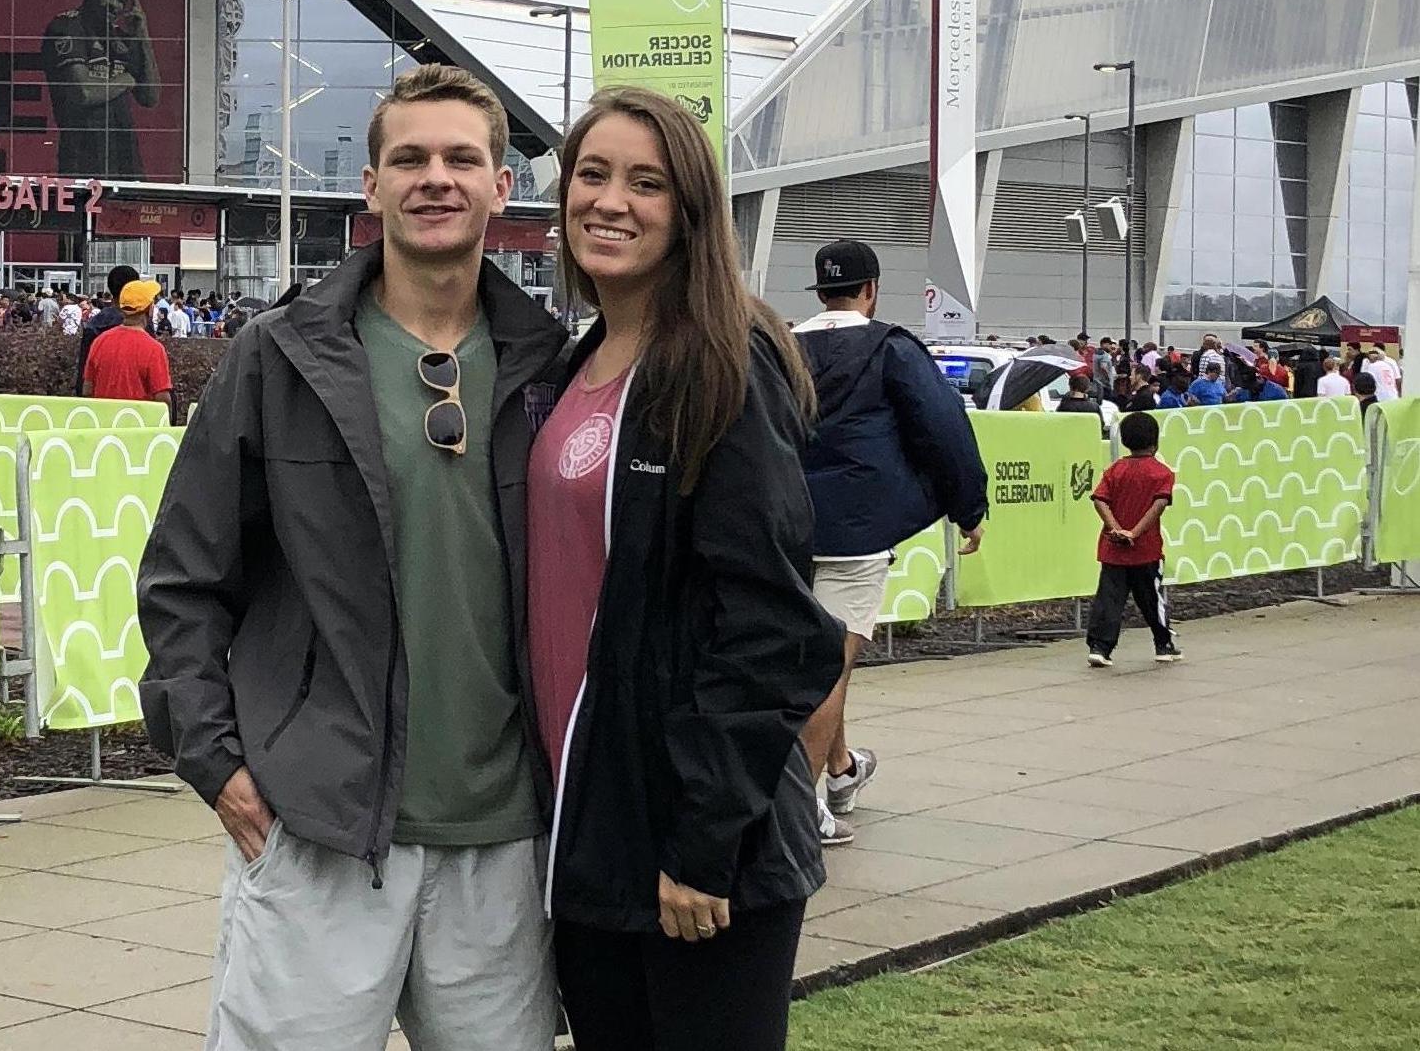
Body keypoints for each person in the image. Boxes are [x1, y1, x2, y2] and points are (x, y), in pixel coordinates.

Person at [138, 65, 566, 1051]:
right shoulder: (279, 355)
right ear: (370, 185)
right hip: (318, 824)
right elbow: (184, 578)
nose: (435, 177)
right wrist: (216, 760)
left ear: (501, 186)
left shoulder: (552, 367)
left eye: (461, 158)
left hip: (502, 837)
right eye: (408, 158)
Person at [534, 90, 842, 1051]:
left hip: (696, 842)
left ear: (690, 210)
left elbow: (772, 623)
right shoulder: (578, 361)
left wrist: (704, 838)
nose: (610, 201)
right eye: (592, 174)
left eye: (646, 182)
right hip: (592, 823)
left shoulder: (722, 364)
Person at [792, 238, 987, 848]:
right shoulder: (890, 347)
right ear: (871, 290)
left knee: (819, 658)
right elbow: (943, 427)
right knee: (831, 666)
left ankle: (841, 769)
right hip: (855, 530)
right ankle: (801, 813)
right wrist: (969, 508)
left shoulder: (780, 346)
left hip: (782, 526)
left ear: (821, 291)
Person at [41, 0, 162, 177]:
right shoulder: (66, 28)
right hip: (82, 163)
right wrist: (125, 80)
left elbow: (150, 97)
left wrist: (143, 34)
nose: (114, 4)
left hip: (127, 165)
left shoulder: (120, 37)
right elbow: (83, 91)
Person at [1086, 411, 1180, 668]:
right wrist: (1134, 533)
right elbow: (1158, 505)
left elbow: (1099, 501)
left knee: (1109, 599)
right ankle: (1163, 643)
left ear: (1126, 441)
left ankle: (1100, 647)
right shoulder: (1162, 473)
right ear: (1155, 442)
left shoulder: (1115, 470)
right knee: (1152, 599)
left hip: (1113, 549)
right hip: (1146, 550)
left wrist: (1116, 529)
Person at [82, 279, 174, 411]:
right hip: (138, 421)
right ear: (149, 309)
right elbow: (162, 399)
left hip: (103, 421)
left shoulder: (99, 341)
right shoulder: (154, 349)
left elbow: (87, 390)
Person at [77, 264, 140, 386]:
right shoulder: (140, 323)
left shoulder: (95, 324)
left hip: (100, 392)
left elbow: (84, 373)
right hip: (136, 393)